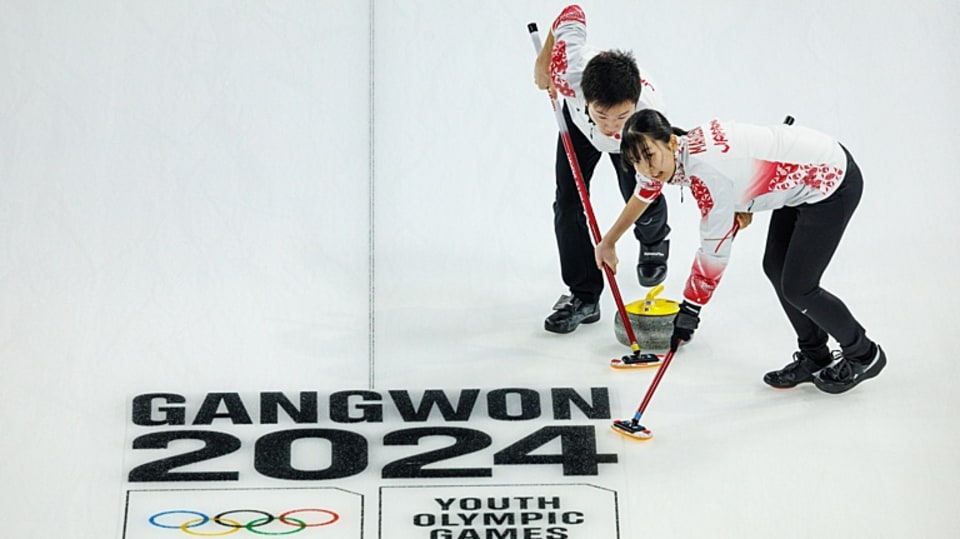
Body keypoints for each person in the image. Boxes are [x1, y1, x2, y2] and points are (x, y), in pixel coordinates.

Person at [594, 109, 885, 394]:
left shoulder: (707, 171)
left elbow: (715, 248)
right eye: (636, 163)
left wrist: (690, 308)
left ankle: (863, 353)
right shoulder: (667, 156)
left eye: (650, 157)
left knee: (799, 287)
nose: (647, 169)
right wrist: (609, 241)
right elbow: (645, 190)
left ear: (670, 141)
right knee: (775, 268)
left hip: (829, 180)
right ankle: (815, 354)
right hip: (799, 181)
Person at [534, 4, 671, 334]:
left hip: (631, 141)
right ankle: (584, 297)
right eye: (603, 115)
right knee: (567, 202)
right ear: (584, 96)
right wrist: (543, 62)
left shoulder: (647, 117)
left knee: (638, 198)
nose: (611, 126)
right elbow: (571, 12)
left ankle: (654, 242)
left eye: (619, 116)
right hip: (580, 127)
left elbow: (647, 187)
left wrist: (609, 240)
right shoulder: (570, 72)